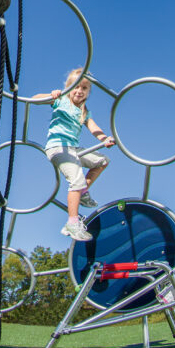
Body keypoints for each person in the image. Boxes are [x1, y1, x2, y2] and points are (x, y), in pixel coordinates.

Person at [33, 68, 115, 242]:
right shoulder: (61, 100)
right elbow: (34, 100)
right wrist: (51, 95)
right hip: (58, 147)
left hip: (74, 149)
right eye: (75, 87)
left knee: (102, 161)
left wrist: (104, 139)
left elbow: (94, 128)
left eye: (84, 88)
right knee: (76, 180)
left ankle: (83, 192)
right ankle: (72, 223)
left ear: (88, 92)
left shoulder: (85, 111)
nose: (79, 91)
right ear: (68, 88)